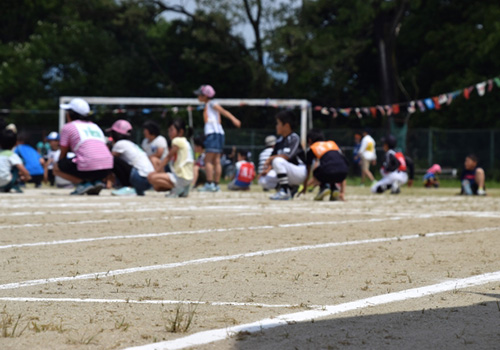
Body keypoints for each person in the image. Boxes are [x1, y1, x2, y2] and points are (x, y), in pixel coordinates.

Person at [54, 98, 113, 195]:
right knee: (87, 160)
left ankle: (83, 183)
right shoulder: (95, 126)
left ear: (71, 114)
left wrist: (62, 165)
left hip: (88, 166)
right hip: (107, 168)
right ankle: (96, 182)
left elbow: (63, 153)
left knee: (57, 167)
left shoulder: (68, 127)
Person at [194, 85, 241, 192]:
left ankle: (210, 184)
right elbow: (219, 119)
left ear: (205, 96)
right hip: (219, 133)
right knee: (216, 160)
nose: (198, 96)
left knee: (208, 160)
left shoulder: (211, 103)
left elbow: (224, 111)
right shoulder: (209, 105)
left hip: (212, 133)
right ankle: (216, 184)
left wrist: (234, 119)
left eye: (200, 94)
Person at [259, 110, 307, 200]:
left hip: (298, 171)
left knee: (278, 160)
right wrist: (267, 170)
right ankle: (289, 188)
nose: (276, 126)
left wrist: (270, 159)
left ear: (286, 126)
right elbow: (273, 158)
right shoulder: (279, 141)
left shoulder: (294, 137)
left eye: (278, 123)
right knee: (263, 180)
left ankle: (285, 191)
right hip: (287, 171)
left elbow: (287, 156)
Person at [148, 119, 194, 197]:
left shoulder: (177, 140)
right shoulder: (186, 142)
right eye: (168, 130)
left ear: (181, 132)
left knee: (151, 177)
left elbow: (168, 157)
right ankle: (183, 188)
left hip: (181, 176)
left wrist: (156, 171)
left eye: (171, 130)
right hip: (188, 177)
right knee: (157, 186)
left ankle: (178, 188)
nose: (169, 133)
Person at [108, 120, 155, 196]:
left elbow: (108, 159)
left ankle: (127, 187)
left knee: (112, 159)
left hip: (139, 178)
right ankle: (136, 190)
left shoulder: (120, 144)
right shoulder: (132, 144)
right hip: (149, 181)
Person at [301, 129, 349, 201]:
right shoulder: (333, 144)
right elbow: (342, 164)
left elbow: (308, 171)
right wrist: (342, 192)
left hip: (327, 173)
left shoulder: (312, 148)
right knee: (332, 167)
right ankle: (334, 189)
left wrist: (304, 187)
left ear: (309, 140)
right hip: (344, 172)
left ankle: (324, 187)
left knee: (319, 170)